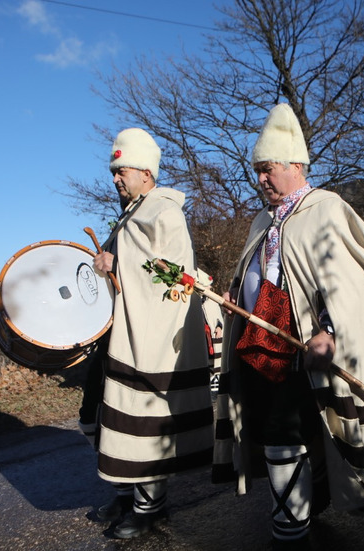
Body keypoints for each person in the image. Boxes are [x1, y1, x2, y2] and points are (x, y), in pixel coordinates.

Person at [212, 103, 364, 550]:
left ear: (296, 166)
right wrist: (237, 297)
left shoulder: (326, 211)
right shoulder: (260, 222)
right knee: (277, 432)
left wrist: (330, 330)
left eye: (267, 170)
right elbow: (258, 275)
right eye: (256, 171)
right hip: (259, 348)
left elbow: (352, 284)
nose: (260, 180)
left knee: (293, 431)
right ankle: (294, 517)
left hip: (300, 356)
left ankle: (291, 529)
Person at [89, 128, 214, 539]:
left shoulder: (164, 212)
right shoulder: (130, 214)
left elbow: (175, 278)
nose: (115, 178)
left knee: (144, 424)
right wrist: (109, 266)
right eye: (113, 171)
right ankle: (126, 495)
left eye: (120, 170)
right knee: (100, 418)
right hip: (119, 331)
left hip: (151, 337)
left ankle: (149, 507)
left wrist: (119, 264)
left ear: (146, 171)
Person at [198, 268, 224, 399]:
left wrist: (219, 326)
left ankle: (215, 385)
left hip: (212, 336)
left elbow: (217, 316)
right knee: (204, 360)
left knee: (215, 360)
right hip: (201, 335)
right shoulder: (196, 300)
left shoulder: (212, 301)